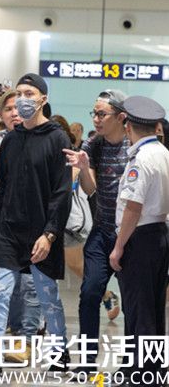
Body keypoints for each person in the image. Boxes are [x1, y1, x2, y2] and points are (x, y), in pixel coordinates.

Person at [0, 73, 71, 378]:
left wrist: (50, 234)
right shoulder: (11, 139)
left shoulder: (57, 139)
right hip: (9, 230)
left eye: (29, 93)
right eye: (19, 93)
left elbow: (61, 193)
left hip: (41, 232)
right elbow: (3, 186)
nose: (22, 99)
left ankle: (59, 351)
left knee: (47, 297)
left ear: (43, 99)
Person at [62, 89, 129, 372]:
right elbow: (91, 190)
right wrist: (84, 168)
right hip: (102, 233)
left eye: (102, 114)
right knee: (89, 293)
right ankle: (88, 362)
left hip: (132, 235)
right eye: (95, 114)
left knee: (134, 303)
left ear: (121, 117)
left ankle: (132, 365)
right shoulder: (93, 144)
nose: (96, 119)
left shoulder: (135, 145)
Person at [109, 96, 169, 383]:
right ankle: (155, 368)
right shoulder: (163, 153)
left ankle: (139, 371)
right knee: (154, 307)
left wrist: (119, 247)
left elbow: (133, 207)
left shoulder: (141, 159)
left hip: (139, 238)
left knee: (138, 307)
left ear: (128, 125)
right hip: (159, 234)